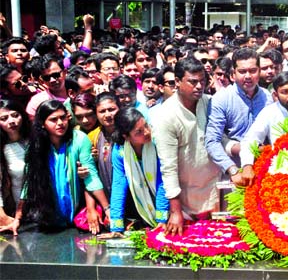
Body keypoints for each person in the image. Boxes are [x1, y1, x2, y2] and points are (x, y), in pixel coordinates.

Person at [2, 100, 110, 235]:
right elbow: (29, 182)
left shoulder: (79, 139)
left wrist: (106, 209)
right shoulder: (36, 145)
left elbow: (91, 175)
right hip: (48, 216)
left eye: (63, 117)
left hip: (77, 211)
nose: (60, 123)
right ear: (42, 123)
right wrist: (17, 219)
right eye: (53, 120)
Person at [153, 57, 221, 235]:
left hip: (216, 192)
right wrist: (175, 212)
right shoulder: (165, 116)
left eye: (202, 81)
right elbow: (168, 167)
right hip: (185, 201)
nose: (199, 86)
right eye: (193, 82)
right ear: (177, 82)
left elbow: (222, 139)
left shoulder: (210, 102)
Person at [205, 48, 273, 184]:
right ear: (233, 74)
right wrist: (233, 170)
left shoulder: (268, 97)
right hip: (234, 173)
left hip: (265, 171)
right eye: (242, 71)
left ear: (259, 72)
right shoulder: (221, 99)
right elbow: (212, 141)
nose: (248, 76)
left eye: (253, 71)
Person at [237, 71, 288, 186]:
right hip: (279, 173)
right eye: (284, 92)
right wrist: (247, 166)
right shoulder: (269, 112)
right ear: (275, 95)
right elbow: (250, 140)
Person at [109, 108, 169, 232]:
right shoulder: (119, 151)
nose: (147, 132)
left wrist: (162, 219)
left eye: (146, 125)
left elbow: (162, 180)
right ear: (126, 136)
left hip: (167, 198)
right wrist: (116, 226)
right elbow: (119, 184)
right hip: (141, 205)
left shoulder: (157, 142)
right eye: (139, 132)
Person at [0, 100, 30, 227]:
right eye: (4, 118)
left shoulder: (36, 140)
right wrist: (3, 216)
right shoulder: (2, 149)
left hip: (46, 207)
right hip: (16, 214)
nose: (11, 121)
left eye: (15, 115)